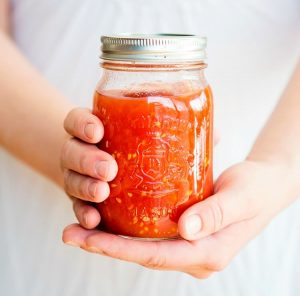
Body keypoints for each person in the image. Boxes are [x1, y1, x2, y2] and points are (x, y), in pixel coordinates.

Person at [1, 0, 300, 295]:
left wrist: (276, 168)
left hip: (263, 214)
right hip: (45, 238)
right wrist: (73, 157)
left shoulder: (197, 94)